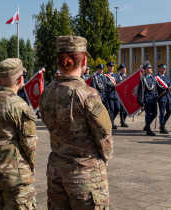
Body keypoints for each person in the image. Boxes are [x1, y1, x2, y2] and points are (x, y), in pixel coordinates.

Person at [39, 36, 113, 209]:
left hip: (56, 173)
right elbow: (104, 135)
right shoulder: (88, 94)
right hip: (85, 177)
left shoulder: (47, 92)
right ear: (84, 60)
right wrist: (105, 157)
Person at [0, 58, 38, 209]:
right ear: (20, 79)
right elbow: (29, 146)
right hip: (16, 180)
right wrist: (30, 168)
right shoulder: (19, 105)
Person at [137, 62, 158, 136]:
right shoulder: (143, 79)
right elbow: (140, 90)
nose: (151, 69)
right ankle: (148, 129)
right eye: (149, 68)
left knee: (155, 113)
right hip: (147, 99)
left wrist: (156, 95)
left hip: (153, 98)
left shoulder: (153, 78)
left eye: (151, 68)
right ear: (145, 70)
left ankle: (147, 125)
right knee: (148, 114)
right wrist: (140, 99)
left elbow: (155, 88)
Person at [156, 63, 171, 134]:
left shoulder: (167, 77)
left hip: (168, 97)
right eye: (163, 68)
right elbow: (158, 86)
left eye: (165, 68)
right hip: (161, 97)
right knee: (162, 112)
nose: (164, 70)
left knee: (169, 111)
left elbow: (170, 85)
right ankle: (162, 127)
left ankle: (163, 123)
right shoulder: (156, 77)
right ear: (159, 69)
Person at [105, 61, 120, 129]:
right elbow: (106, 84)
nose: (111, 68)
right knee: (111, 109)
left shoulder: (116, 75)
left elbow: (118, 83)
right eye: (110, 66)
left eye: (112, 66)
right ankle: (112, 123)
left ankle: (111, 121)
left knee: (118, 108)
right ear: (108, 67)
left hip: (116, 94)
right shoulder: (105, 75)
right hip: (110, 94)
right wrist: (112, 85)